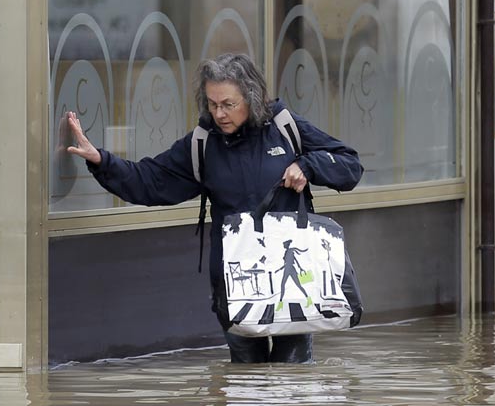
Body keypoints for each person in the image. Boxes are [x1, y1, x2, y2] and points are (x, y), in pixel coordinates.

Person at [65, 53, 363, 363]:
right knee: (246, 378)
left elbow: (350, 166)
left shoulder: (285, 127)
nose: (219, 113)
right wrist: (100, 160)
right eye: (212, 104)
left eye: (228, 104)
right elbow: (150, 181)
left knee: (294, 375)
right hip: (234, 283)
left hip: (291, 286)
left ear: (252, 98)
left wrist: (308, 165)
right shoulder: (202, 144)